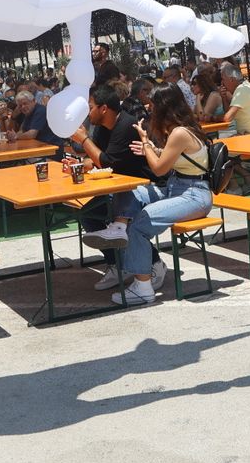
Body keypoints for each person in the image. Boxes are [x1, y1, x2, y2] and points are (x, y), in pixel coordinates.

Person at [81, 85, 214, 306]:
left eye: (152, 106)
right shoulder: (181, 129)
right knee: (128, 187)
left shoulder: (179, 133)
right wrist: (153, 149)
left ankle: (143, 288)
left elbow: (159, 169)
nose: (149, 110)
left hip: (194, 195)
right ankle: (118, 227)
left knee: (140, 224)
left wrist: (146, 144)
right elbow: (174, 158)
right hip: (176, 188)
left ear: (164, 107)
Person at [69, 81, 168, 292]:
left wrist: (84, 139)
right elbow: (98, 160)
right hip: (120, 188)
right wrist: (78, 164)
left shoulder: (126, 126)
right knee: (89, 213)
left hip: (147, 187)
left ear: (104, 108)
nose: (88, 112)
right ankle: (117, 265)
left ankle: (155, 264)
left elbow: (106, 161)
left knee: (124, 220)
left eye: (90, 107)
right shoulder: (102, 128)